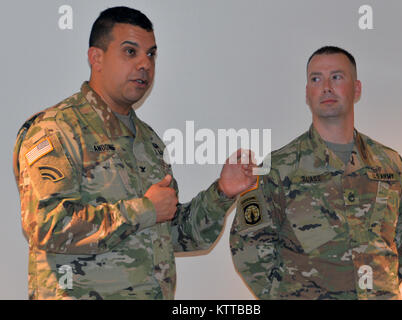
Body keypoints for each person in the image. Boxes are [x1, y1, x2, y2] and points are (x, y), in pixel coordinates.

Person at [13, 6, 255, 300]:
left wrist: (221, 193)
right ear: (96, 58)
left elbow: (176, 234)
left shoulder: (148, 142)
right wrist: (145, 210)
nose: (144, 64)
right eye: (130, 52)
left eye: (151, 54)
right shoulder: (56, 130)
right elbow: (47, 225)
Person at [229, 46, 402, 300]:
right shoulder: (279, 168)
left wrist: (379, 287)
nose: (326, 87)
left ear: (356, 89)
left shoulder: (390, 165)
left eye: (337, 77)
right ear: (307, 94)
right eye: (316, 79)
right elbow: (248, 244)